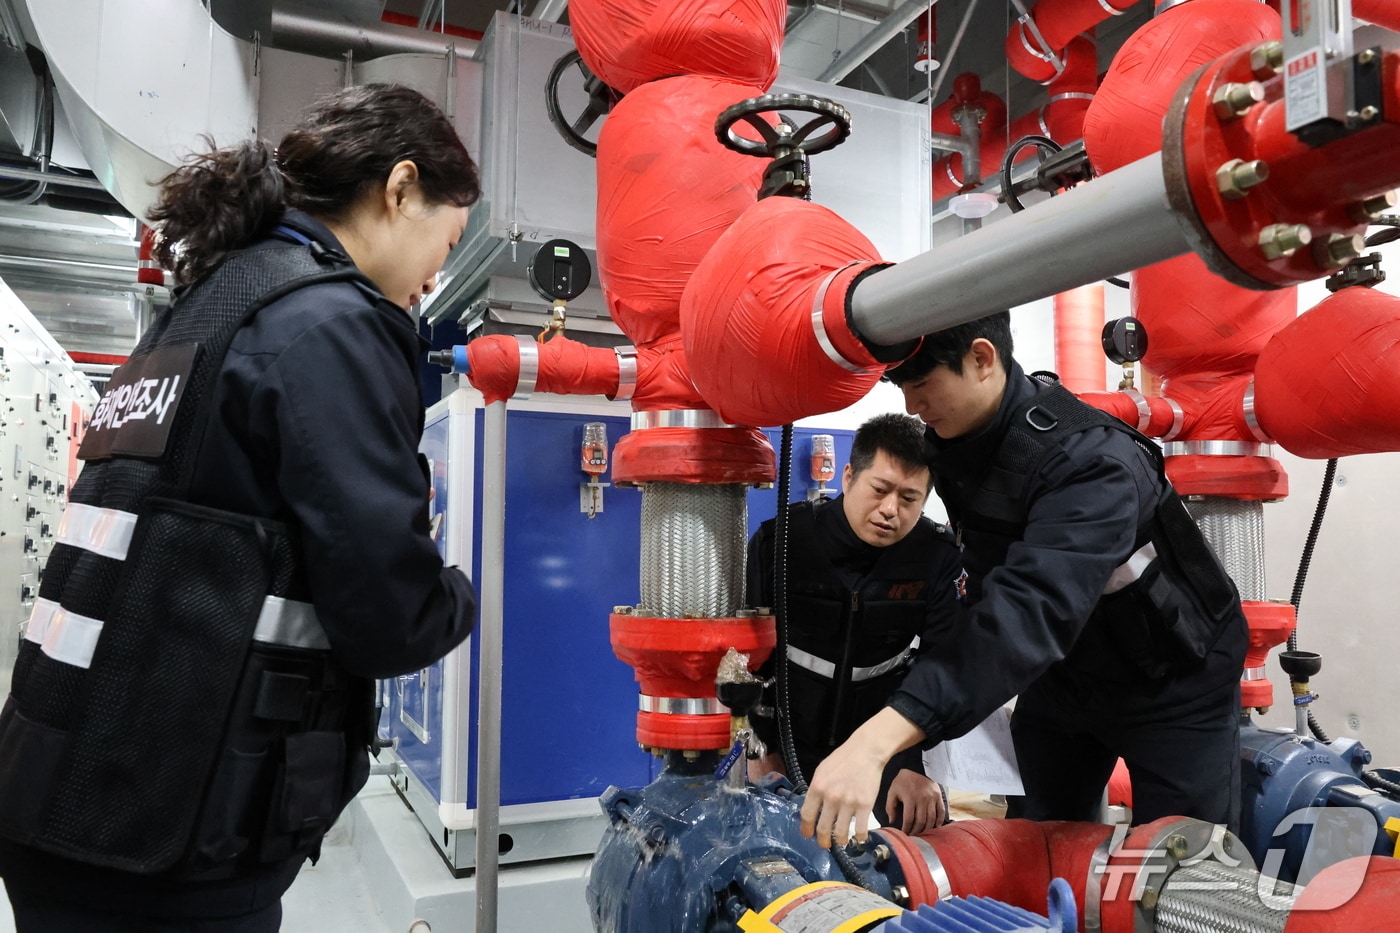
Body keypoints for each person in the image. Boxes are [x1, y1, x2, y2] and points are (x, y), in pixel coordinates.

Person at [0, 83, 481, 931]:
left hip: (60, 788)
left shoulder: (205, 309)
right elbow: (390, 619)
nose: (438, 272)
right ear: (399, 188)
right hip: (164, 840)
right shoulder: (329, 324)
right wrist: (463, 593)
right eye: (445, 239)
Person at [798, 312, 1248, 847]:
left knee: (1181, 877)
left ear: (982, 360)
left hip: (1174, 682)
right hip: (1064, 679)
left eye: (921, 386)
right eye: (902, 388)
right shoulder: (961, 445)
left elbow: (1030, 610)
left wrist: (873, 744)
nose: (911, 407)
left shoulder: (1091, 464)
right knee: (1040, 849)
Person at [747, 414, 964, 835]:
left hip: (890, 749)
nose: (890, 510)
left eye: (909, 499)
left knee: (915, 867)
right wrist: (761, 751)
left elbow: (944, 666)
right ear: (848, 476)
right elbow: (747, 659)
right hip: (786, 744)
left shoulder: (938, 557)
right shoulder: (783, 542)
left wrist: (917, 765)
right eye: (880, 490)